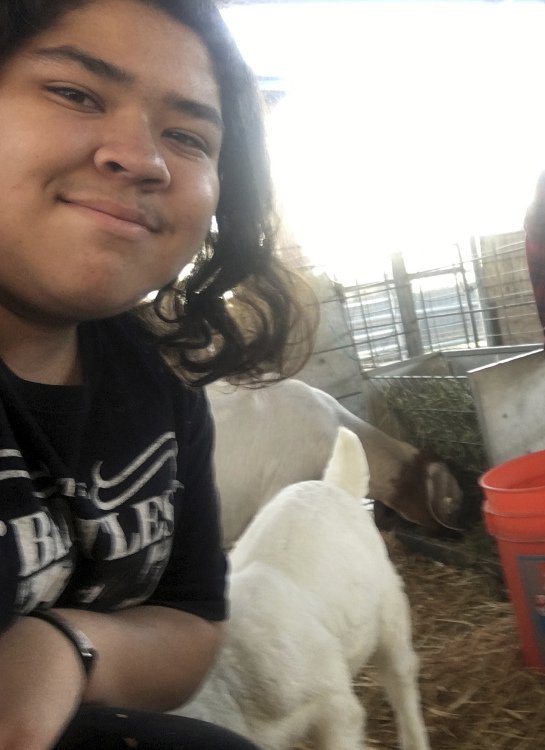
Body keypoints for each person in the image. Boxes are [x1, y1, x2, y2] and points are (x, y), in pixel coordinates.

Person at [0, 1, 315, 747]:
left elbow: (193, 622)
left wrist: (66, 644)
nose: (143, 158)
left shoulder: (157, 381)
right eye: (75, 93)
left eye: (187, 136)